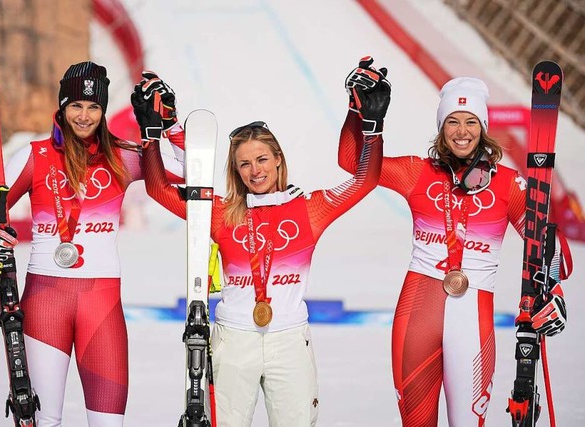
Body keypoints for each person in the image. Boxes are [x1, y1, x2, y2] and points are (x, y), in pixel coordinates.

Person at [131, 66, 389, 426]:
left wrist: (371, 128)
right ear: (235, 171)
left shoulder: (310, 209)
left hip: (289, 340)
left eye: (262, 159)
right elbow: (158, 189)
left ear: (279, 158)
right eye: (244, 164)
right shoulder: (221, 213)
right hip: (233, 339)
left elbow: (366, 180)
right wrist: (150, 135)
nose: (255, 171)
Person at [339, 58, 571, 426]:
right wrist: (362, 118)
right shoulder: (418, 173)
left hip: (472, 321)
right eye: (453, 121)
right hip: (417, 314)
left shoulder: (508, 185)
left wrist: (552, 288)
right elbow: (354, 162)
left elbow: (553, 250)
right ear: (441, 126)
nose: (461, 131)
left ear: (483, 128)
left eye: (471, 122)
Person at [0, 61, 184, 426]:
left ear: (102, 109)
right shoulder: (35, 156)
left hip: (102, 305)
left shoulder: (123, 157)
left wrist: (168, 125)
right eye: (76, 106)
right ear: (62, 106)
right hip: (45, 302)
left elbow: (188, 173)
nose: (84, 116)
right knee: (42, 420)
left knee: (108, 423)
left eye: (93, 107)